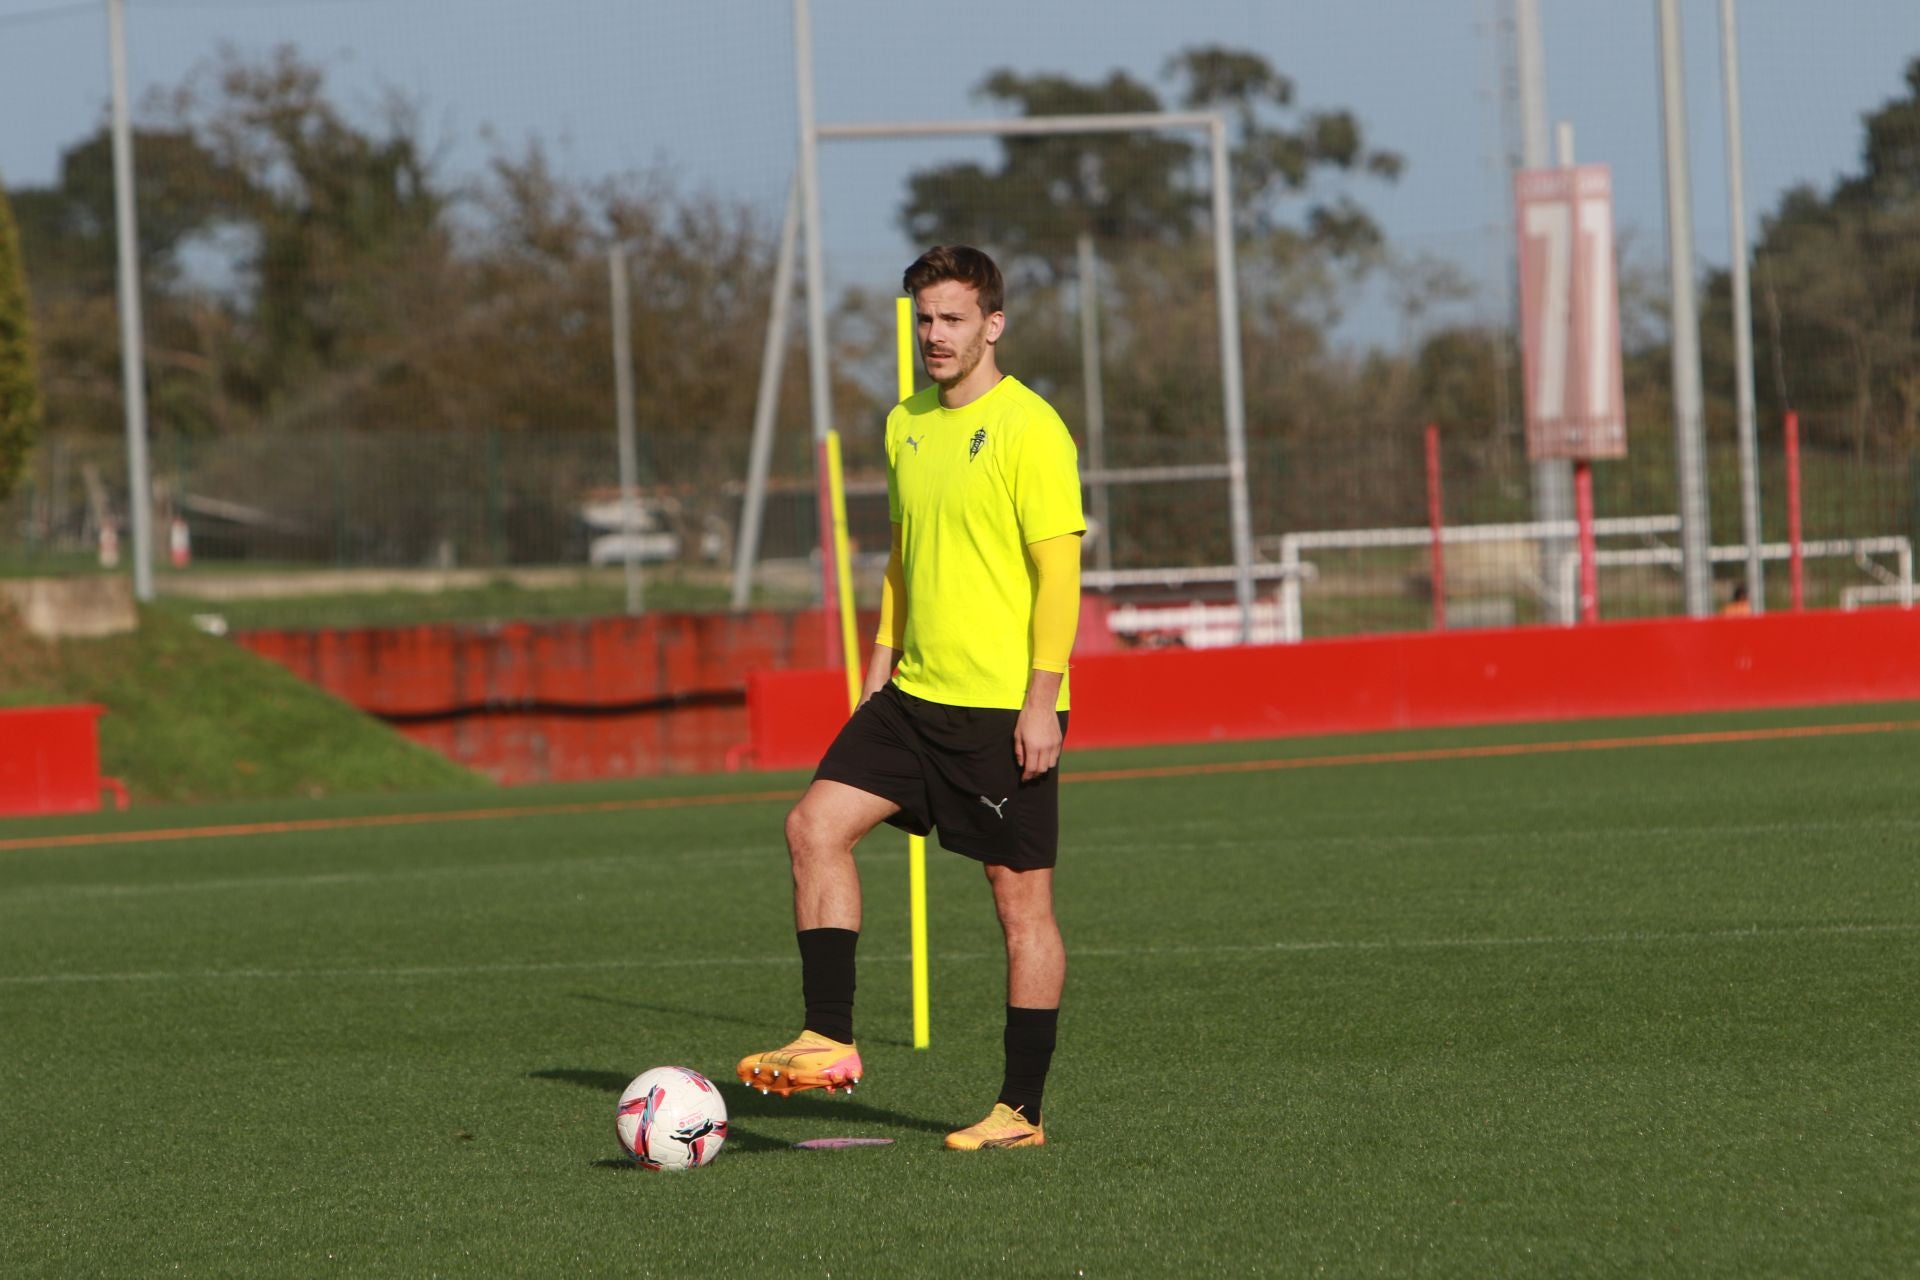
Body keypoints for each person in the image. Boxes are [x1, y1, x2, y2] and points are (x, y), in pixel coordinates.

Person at [736, 245, 1084, 1151]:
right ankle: (829, 1036)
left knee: (1021, 910)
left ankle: (1021, 1111)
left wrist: (1042, 700)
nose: (935, 335)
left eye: (954, 319)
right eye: (925, 319)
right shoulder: (905, 423)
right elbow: (901, 555)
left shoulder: (1031, 428)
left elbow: (1061, 576)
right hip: (910, 697)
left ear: (993, 325)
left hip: (1002, 711)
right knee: (813, 827)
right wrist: (881, 657)